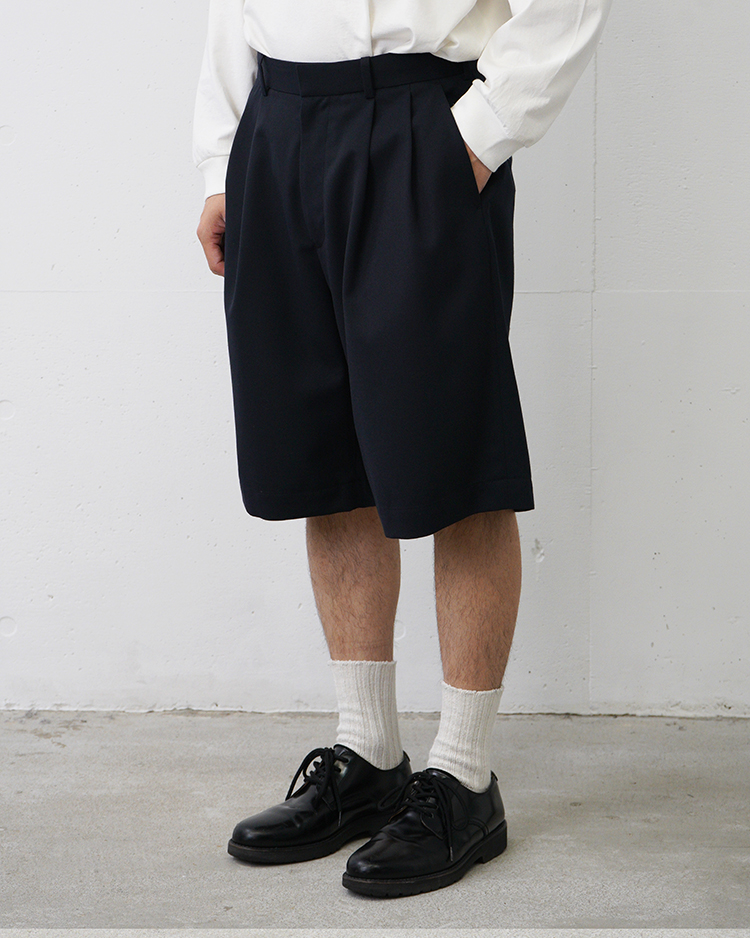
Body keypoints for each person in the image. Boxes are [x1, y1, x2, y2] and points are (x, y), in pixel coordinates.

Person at [193, 0, 611, 898]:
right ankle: (369, 756)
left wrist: (479, 134)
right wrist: (223, 157)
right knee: (325, 457)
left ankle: (464, 776)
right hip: (278, 124)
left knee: (455, 457)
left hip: (423, 123)